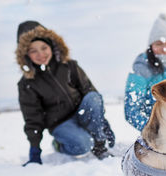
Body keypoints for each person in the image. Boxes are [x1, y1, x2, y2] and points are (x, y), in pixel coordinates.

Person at [16, 21, 115, 165]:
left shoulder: (69, 66)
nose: (41, 54)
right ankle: (59, 145)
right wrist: (35, 149)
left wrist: (102, 125)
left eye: (44, 47)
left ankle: (100, 146)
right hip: (61, 124)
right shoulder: (27, 83)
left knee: (93, 98)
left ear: (52, 46)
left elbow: (90, 93)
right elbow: (33, 119)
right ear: (26, 54)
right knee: (83, 145)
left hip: (82, 114)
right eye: (33, 50)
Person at [124, 13, 166, 131]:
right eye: (159, 44)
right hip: (154, 130)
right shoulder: (141, 68)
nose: (164, 48)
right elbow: (132, 110)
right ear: (151, 46)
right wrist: (155, 130)